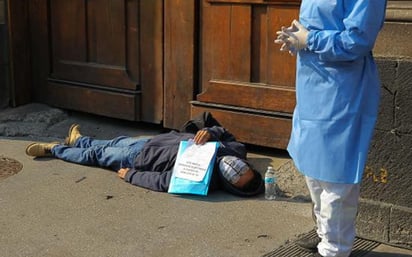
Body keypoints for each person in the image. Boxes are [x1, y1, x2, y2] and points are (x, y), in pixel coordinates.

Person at [274, 1, 387, 257]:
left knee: (337, 176)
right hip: (312, 84)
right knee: (313, 170)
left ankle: (335, 249)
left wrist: (311, 40)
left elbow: (358, 40)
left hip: (342, 90)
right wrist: (297, 39)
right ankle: (324, 233)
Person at [25, 112, 264, 197]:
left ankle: (54, 149)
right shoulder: (235, 150)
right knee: (114, 141)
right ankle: (80, 140)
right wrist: (209, 132)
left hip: (140, 160)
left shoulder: (203, 180)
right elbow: (224, 131)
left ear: (228, 184)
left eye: (234, 176)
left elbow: (162, 182)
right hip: (155, 142)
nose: (234, 167)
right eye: (241, 168)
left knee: (97, 155)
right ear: (247, 166)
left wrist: (131, 175)